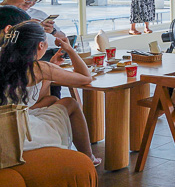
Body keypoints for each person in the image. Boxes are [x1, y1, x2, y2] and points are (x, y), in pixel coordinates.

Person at [0, 20, 101, 166]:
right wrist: (71, 50)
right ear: (41, 45)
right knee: (70, 103)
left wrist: (52, 67)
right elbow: (86, 78)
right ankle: (89, 157)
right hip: (16, 131)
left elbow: (32, 98)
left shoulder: (5, 61)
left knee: (52, 99)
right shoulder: (38, 67)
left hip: (5, 119)